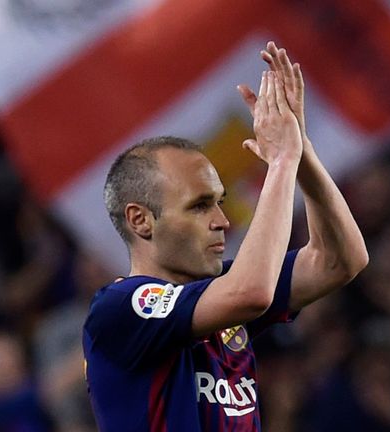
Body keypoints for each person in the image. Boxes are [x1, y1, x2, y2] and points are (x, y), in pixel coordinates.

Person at [82, 42, 368, 431]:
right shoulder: (121, 308)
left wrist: (304, 155)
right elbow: (251, 292)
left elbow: (340, 260)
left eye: (219, 202)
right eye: (199, 205)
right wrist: (281, 162)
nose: (221, 220)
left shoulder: (220, 293)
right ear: (141, 220)